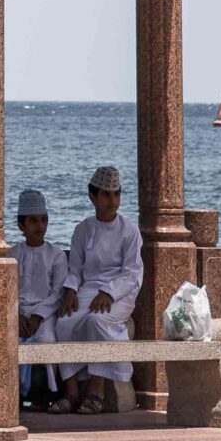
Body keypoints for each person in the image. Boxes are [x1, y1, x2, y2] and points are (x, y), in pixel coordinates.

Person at [54, 165, 143, 414]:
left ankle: (96, 392)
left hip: (120, 292)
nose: (112, 200)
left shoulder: (129, 230)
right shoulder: (83, 229)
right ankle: (71, 393)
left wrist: (109, 293)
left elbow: (132, 272)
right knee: (63, 323)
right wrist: (70, 292)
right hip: (88, 289)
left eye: (116, 194)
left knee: (97, 321)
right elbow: (75, 269)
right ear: (93, 197)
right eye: (106, 194)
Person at [11, 188, 68, 411]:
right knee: (7, 339)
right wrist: (17, 315)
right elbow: (7, 292)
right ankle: (13, 394)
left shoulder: (56, 255)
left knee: (46, 339)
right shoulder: (11, 254)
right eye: (33, 221)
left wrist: (36, 316)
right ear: (21, 226)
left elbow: (57, 294)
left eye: (43, 220)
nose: (39, 226)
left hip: (45, 314)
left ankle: (43, 394)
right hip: (17, 312)